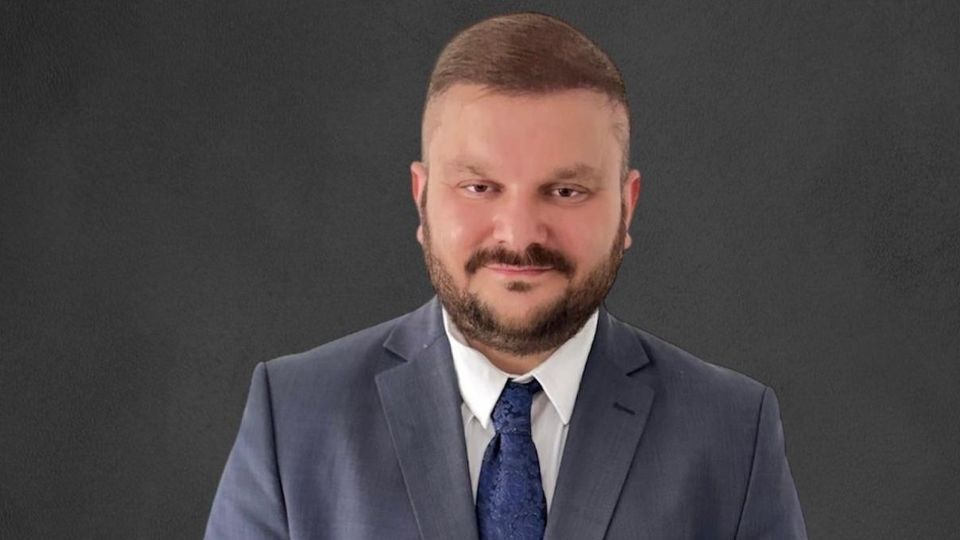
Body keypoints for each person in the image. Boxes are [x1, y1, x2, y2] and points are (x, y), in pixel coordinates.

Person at [205, 12, 807, 540]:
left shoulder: (733, 432)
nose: (518, 236)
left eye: (565, 190)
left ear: (627, 207)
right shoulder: (294, 418)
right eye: (479, 187)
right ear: (421, 199)